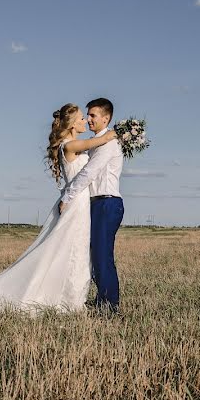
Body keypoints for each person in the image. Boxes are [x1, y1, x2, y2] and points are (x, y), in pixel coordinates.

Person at [0, 103, 117, 318]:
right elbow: (99, 141)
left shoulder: (73, 143)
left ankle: (71, 298)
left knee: (77, 252)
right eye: (82, 118)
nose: (85, 122)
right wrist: (118, 133)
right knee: (67, 250)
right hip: (75, 204)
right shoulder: (70, 145)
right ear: (71, 124)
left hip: (80, 204)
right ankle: (61, 298)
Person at [59, 97, 124, 314]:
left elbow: (88, 173)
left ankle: (109, 305)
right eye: (87, 115)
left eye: (93, 115)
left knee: (102, 254)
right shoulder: (96, 143)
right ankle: (101, 299)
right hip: (95, 204)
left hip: (107, 202)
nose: (89, 119)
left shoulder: (108, 143)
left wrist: (67, 196)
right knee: (94, 255)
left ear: (106, 118)